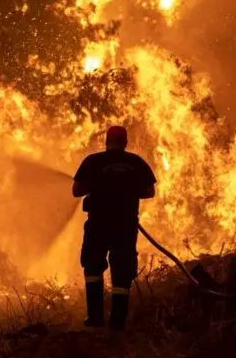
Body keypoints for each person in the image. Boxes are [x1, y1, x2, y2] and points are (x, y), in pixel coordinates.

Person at [72, 125, 157, 331]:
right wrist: (127, 190)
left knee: (92, 266)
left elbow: (76, 190)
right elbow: (149, 191)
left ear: (106, 141)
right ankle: (118, 323)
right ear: (125, 142)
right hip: (125, 226)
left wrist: (99, 186)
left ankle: (95, 318)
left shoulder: (93, 161)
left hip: (98, 224)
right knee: (122, 271)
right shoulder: (135, 163)